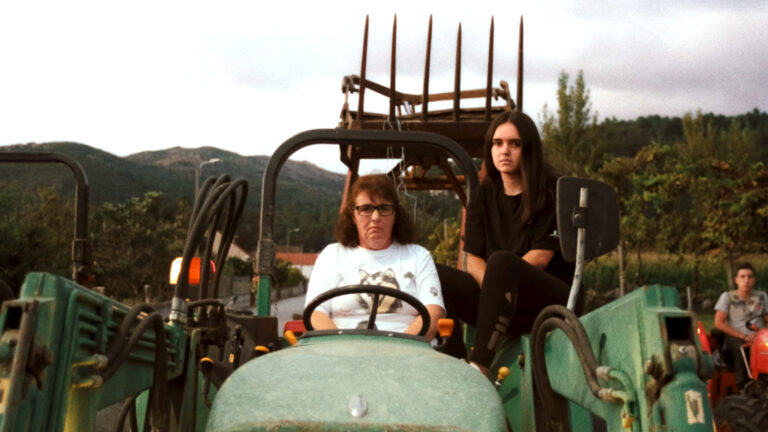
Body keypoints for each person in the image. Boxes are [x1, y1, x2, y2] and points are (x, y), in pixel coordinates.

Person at [438, 111, 573, 374]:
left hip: (546, 302)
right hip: (500, 297)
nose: (504, 150)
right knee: (437, 275)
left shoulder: (552, 191)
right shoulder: (483, 195)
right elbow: (472, 258)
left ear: (529, 148)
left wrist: (498, 286)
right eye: (497, 143)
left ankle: (479, 367)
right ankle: (456, 368)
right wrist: (494, 293)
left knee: (501, 262)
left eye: (515, 144)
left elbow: (540, 257)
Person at [305, 174, 445, 340]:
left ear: (395, 214)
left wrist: (399, 349)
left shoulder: (418, 256)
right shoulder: (332, 255)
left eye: (384, 208)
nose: (376, 217)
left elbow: (433, 312)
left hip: (407, 350)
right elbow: (316, 313)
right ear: (353, 216)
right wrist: (343, 347)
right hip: (339, 348)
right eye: (366, 209)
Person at [714, 262, 767, 388]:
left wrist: (759, 336)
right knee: (741, 347)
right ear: (736, 280)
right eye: (742, 277)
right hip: (735, 338)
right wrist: (743, 336)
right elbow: (719, 322)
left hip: (759, 338)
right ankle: (744, 386)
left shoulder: (762, 297)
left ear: (754, 280)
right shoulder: (727, 297)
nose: (746, 280)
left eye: (749, 276)